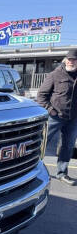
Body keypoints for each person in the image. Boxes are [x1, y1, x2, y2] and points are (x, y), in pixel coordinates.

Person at [37, 49, 77, 185]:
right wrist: (50, 110)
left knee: (68, 146)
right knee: (42, 143)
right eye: (69, 59)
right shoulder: (55, 75)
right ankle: (31, 169)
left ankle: (62, 173)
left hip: (73, 119)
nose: (71, 62)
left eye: (74, 60)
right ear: (65, 60)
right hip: (55, 116)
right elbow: (41, 96)